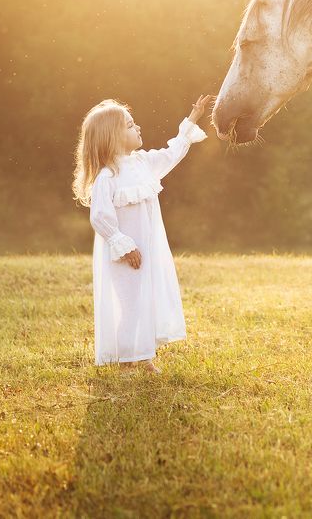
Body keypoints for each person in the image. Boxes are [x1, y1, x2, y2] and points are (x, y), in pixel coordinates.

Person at [71, 94, 215, 372]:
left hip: (148, 249)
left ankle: (144, 355)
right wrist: (123, 245)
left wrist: (192, 120)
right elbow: (100, 217)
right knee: (131, 305)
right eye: (129, 125)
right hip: (125, 254)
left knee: (145, 299)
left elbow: (173, 153)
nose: (137, 128)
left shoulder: (142, 163)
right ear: (112, 136)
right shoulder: (107, 177)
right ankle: (126, 362)